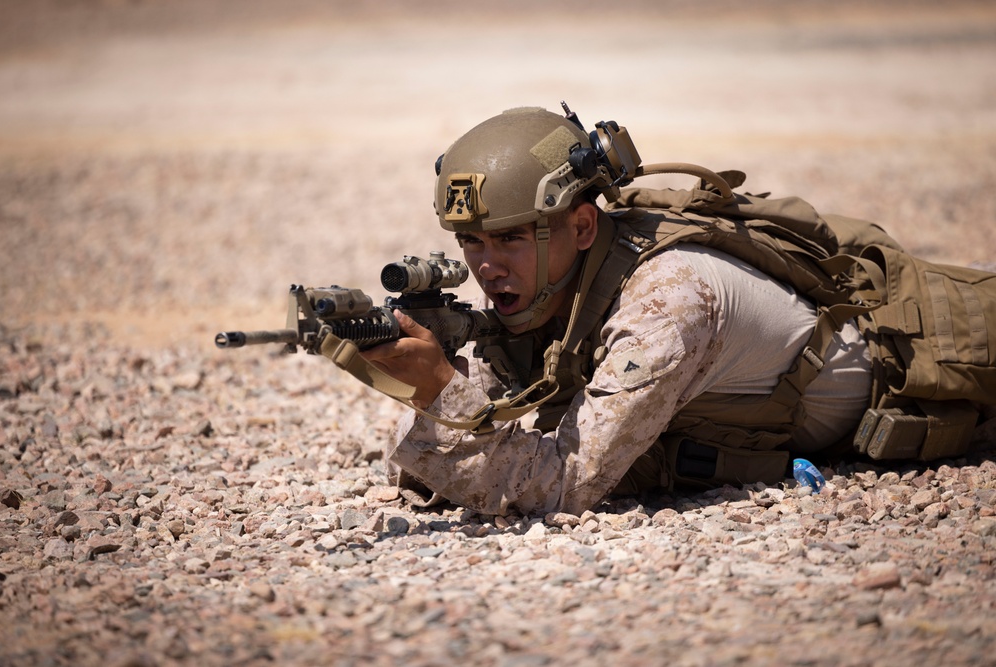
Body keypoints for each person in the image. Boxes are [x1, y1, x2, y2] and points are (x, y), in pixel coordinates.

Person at [361, 105, 991, 517]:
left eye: (510, 238)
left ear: (582, 226)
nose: (486, 266)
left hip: (942, 374)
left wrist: (438, 388)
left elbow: (561, 482)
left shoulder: (669, 301)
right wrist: (416, 375)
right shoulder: (553, 285)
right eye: (470, 241)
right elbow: (451, 456)